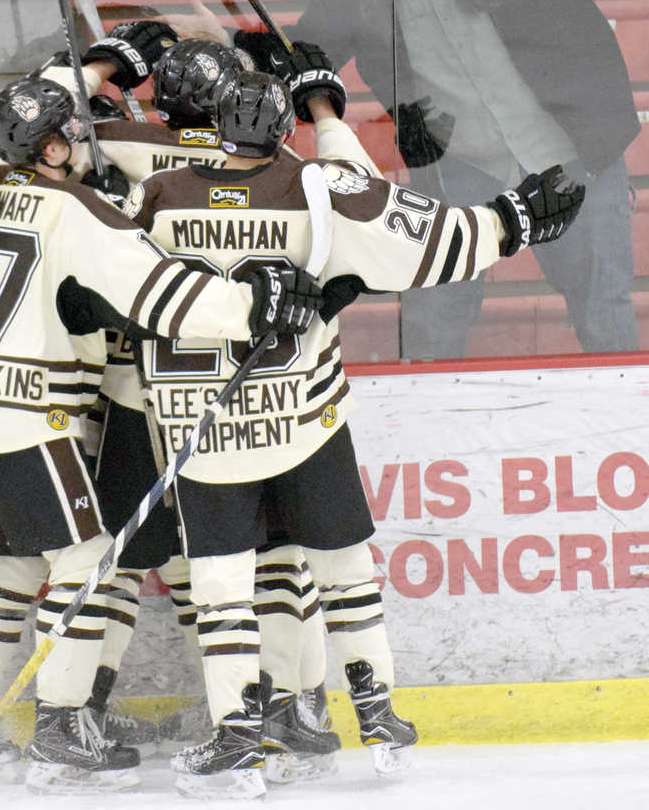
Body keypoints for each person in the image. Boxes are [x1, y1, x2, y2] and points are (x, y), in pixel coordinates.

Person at [0, 21, 322, 796]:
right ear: (51, 149)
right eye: (70, 135)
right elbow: (167, 297)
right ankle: (65, 721)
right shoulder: (85, 217)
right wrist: (255, 300)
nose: (83, 139)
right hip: (25, 422)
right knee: (87, 567)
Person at [123, 50, 585, 798]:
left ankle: (239, 736)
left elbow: (119, 291)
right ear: (281, 128)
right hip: (304, 421)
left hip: (204, 436)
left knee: (222, 589)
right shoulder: (315, 185)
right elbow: (421, 240)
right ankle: (378, 716)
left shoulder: (154, 193)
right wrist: (511, 222)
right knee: (343, 572)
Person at [0, 38, 347, 785]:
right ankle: (288, 711)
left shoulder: (124, 145)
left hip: (128, 393)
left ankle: (76, 715)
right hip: (253, 398)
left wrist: (97, 71)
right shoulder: (289, 172)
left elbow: (28, 123)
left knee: (117, 564)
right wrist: (313, 102)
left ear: (163, 98)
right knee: (259, 562)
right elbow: (360, 202)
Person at [216, 0, 641, 358]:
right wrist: (233, 47)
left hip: (568, 150)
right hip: (461, 165)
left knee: (601, 305)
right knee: (435, 316)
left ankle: (626, 431)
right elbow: (309, 50)